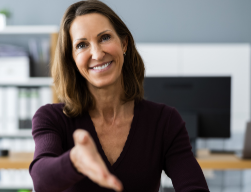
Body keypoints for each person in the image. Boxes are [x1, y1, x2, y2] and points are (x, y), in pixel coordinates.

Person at [29, 0, 210, 191]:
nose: (97, 54)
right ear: (72, 59)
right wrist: (75, 161)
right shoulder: (52, 118)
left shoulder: (164, 121)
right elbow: (41, 180)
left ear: (124, 43)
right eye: (82, 45)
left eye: (105, 38)